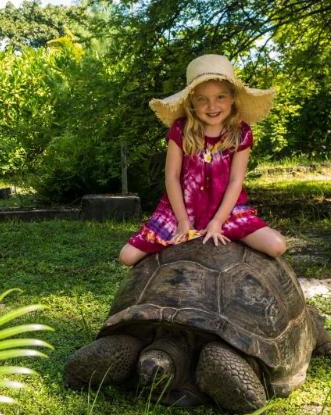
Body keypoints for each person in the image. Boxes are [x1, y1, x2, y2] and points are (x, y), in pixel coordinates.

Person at [119, 54, 286, 266]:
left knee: (277, 245)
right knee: (127, 256)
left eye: (220, 97)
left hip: (228, 211)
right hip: (181, 210)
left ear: (233, 97)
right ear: (192, 101)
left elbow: (236, 181)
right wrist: (182, 222)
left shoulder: (241, 132)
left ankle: (225, 234)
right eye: (202, 99)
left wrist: (217, 221)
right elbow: (171, 177)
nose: (212, 106)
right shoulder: (180, 129)